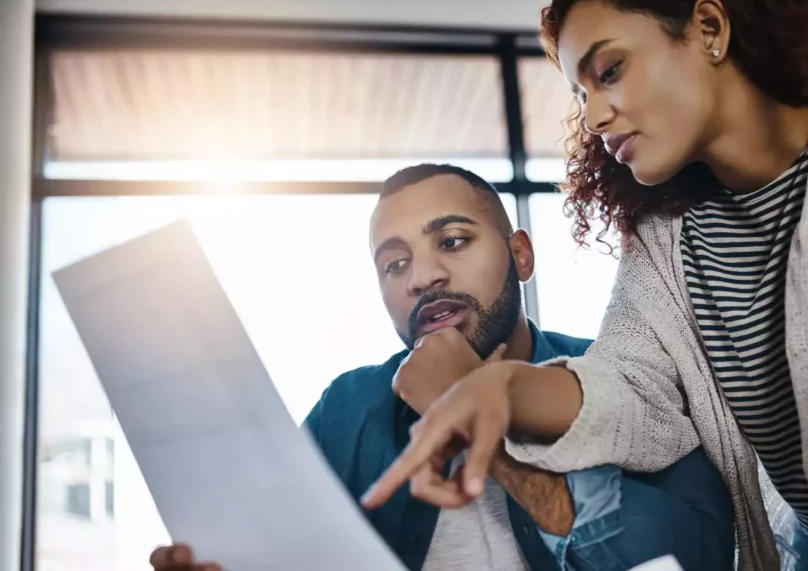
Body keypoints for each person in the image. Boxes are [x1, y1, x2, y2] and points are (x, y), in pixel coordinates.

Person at [362, 0, 808, 570]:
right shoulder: (671, 232)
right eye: (581, 96)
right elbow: (630, 385)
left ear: (709, 27)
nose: (596, 117)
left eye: (609, 72)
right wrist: (502, 386)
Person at [148, 164, 735, 571]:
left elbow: (697, 559)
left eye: (451, 241)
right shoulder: (346, 410)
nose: (421, 277)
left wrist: (478, 415)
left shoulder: (621, 374)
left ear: (521, 255)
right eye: (394, 264)